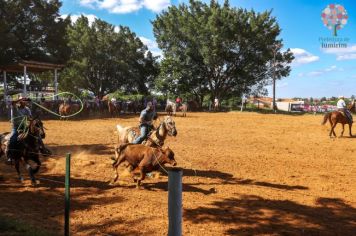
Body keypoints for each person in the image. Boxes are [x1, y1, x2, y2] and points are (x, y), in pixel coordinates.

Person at [6, 96, 33, 164]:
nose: (26, 102)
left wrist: (30, 120)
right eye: (24, 101)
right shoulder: (15, 107)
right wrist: (20, 99)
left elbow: (30, 117)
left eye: (26, 101)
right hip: (16, 126)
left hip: (24, 126)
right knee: (13, 139)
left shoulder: (27, 109)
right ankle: (10, 156)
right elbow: (12, 103)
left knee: (35, 133)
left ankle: (42, 148)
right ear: (20, 101)